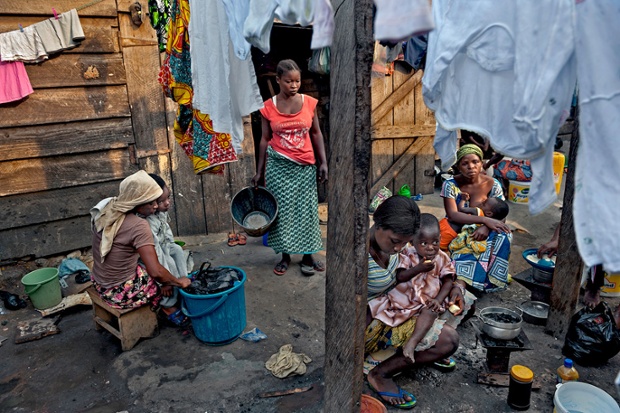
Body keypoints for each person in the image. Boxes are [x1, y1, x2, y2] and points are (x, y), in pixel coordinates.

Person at [365, 196, 465, 409]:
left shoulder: (403, 249)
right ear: (378, 225)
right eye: (395, 241)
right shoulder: (357, 255)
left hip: (401, 306)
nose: (399, 248)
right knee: (447, 340)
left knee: (459, 311)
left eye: (405, 242)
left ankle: (418, 350)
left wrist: (455, 287)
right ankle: (380, 373)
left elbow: (440, 273)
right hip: (371, 320)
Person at [251, 59, 328, 277]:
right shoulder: (268, 107)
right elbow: (265, 139)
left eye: (297, 81)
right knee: (282, 213)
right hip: (278, 166)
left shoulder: (309, 103)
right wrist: (259, 170)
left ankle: (307, 255)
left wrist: (323, 162)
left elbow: (316, 133)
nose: (294, 85)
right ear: (278, 80)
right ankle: (285, 256)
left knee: (307, 211)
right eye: (288, 81)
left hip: (304, 165)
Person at [369, 214, 473, 368]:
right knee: (427, 314)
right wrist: (418, 268)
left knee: (435, 310)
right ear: (413, 242)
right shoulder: (407, 255)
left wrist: (438, 300)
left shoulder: (441, 257)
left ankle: (418, 344)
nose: (430, 247)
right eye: (424, 243)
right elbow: (401, 276)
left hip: (428, 302)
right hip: (406, 301)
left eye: (435, 242)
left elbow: (448, 280)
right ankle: (414, 344)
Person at [90, 170, 191, 327]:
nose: (156, 206)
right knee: (163, 273)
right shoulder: (139, 225)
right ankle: (169, 307)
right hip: (120, 292)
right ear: (137, 202)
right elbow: (157, 272)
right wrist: (176, 282)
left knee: (168, 257)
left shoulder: (109, 207)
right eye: (151, 203)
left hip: (100, 282)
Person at [440, 144, 512, 292]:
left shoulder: (493, 184)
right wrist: (484, 220)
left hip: (482, 229)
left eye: (475, 162)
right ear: (458, 167)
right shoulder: (450, 184)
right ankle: (465, 280)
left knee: (504, 235)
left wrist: (486, 227)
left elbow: (500, 214)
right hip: (457, 229)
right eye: (465, 164)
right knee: (469, 244)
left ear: (482, 163)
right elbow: (454, 214)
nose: (471, 167)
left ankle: (489, 279)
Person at [146, 174, 194, 311]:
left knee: (178, 250)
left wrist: (171, 245)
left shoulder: (160, 213)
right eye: (161, 201)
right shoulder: (147, 222)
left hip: (163, 247)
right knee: (170, 262)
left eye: (168, 198)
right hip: (153, 256)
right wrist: (165, 282)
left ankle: (184, 283)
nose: (167, 203)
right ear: (152, 202)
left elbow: (167, 234)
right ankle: (169, 302)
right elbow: (157, 253)